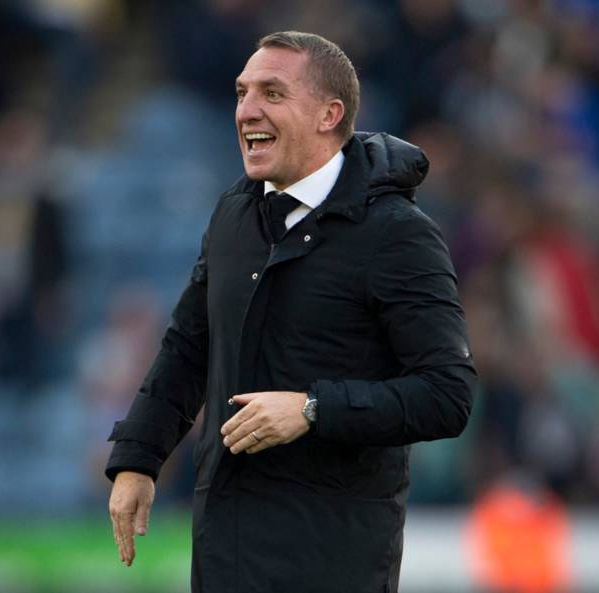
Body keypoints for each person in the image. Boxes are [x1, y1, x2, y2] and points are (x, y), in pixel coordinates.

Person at [106, 31, 477, 593]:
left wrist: (312, 409)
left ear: (330, 114)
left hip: (333, 561)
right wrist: (138, 457)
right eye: (242, 93)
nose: (247, 110)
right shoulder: (234, 215)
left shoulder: (398, 235)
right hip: (225, 552)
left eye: (272, 93)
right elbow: (189, 347)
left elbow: (447, 396)